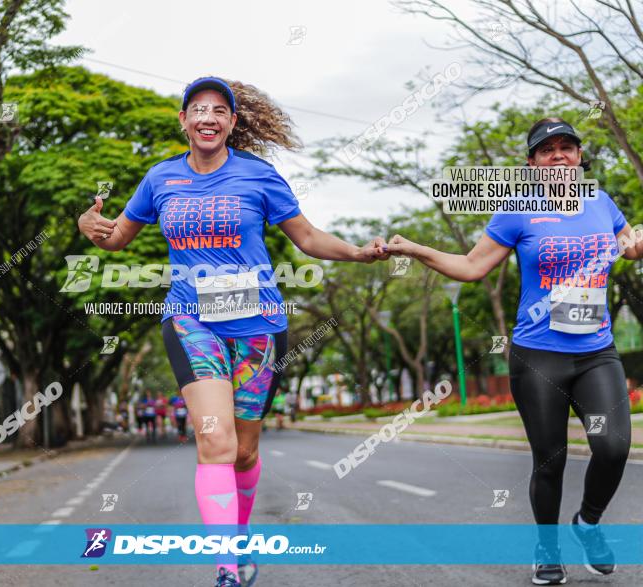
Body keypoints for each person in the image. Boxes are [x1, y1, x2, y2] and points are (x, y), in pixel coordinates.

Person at [78, 76, 388, 587]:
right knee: (214, 440)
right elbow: (115, 239)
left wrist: (357, 252)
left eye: (219, 110)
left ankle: (239, 538)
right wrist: (88, 226)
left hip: (258, 328)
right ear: (183, 121)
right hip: (190, 320)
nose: (207, 117)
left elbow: (307, 236)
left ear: (232, 123)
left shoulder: (259, 176)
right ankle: (226, 568)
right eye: (197, 109)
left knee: (244, 450)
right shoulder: (160, 180)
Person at [383, 117, 643, 586]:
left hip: (597, 350)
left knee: (614, 446)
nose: (559, 156)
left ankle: (588, 522)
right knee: (551, 459)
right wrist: (419, 249)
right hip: (539, 354)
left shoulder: (601, 202)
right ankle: (547, 549)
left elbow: (628, 247)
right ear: (532, 164)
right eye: (548, 151)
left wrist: (636, 244)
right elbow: (470, 266)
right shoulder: (517, 210)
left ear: (579, 158)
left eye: (567, 148)